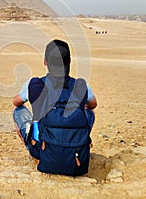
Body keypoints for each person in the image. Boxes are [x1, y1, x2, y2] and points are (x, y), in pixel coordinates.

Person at [12, 39, 97, 176]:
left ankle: (35, 152)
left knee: (18, 111)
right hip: (76, 161)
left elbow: (16, 102)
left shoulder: (35, 84)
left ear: (45, 62)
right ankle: (75, 144)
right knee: (89, 112)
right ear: (69, 61)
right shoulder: (80, 85)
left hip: (45, 151)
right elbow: (93, 105)